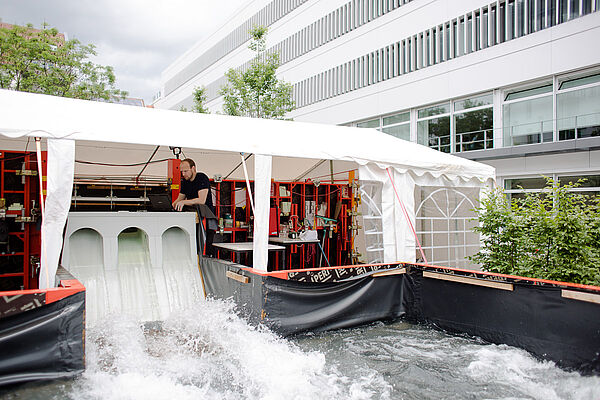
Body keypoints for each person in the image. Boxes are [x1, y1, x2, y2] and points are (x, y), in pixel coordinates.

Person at [172, 158, 216, 256]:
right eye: (182, 172)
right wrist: (173, 204)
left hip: (206, 219)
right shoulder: (185, 182)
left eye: (186, 171)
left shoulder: (201, 178)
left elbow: (201, 200)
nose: (183, 174)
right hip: (194, 218)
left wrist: (184, 202)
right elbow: (179, 198)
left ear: (193, 168)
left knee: (205, 249)